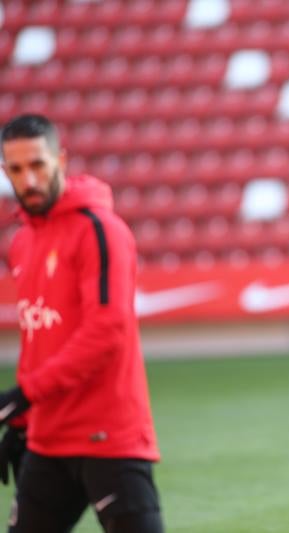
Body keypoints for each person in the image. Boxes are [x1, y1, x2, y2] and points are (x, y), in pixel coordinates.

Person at [0, 114, 164, 532]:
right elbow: (38, 336)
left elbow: (106, 330)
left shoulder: (100, 230)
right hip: (49, 439)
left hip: (110, 437)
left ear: (61, 160)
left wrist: (26, 394)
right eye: (16, 169)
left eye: (38, 164)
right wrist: (20, 422)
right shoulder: (21, 242)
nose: (29, 179)